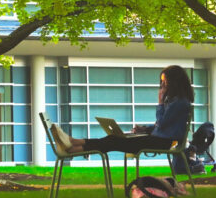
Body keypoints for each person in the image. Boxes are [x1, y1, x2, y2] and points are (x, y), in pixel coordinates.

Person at [57, 65, 193, 155]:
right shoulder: (176, 101)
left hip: (163, 142)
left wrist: (160, 102)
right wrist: (145, 129)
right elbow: (164, 125)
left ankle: (75, 146)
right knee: (114, 138)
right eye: (162, 81)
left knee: (114, 141)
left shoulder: (180, 102)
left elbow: (163, 124)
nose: (163, 84)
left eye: (165, 81)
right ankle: (76, 144)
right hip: (158, 139)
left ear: (174, 81)